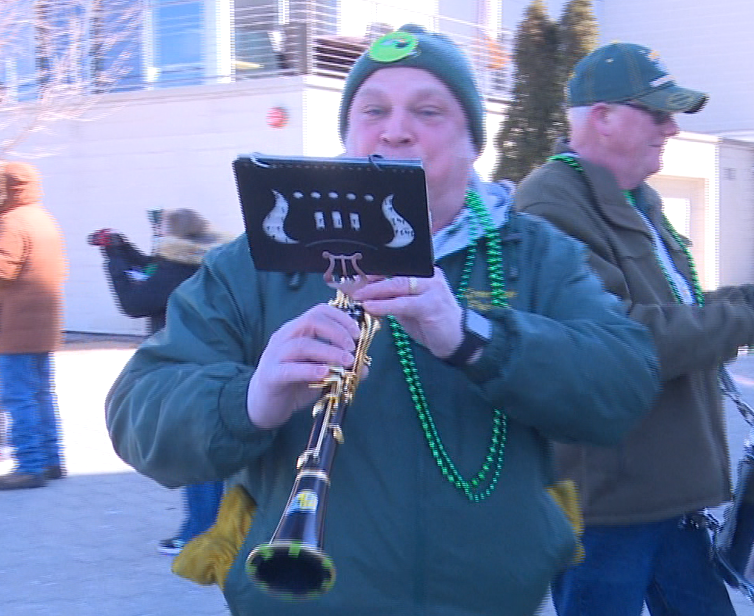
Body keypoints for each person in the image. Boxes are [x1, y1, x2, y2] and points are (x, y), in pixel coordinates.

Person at [105, 24, 659, 615]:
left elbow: (625, 384)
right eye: (374, 110)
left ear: (473, 142)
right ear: (347, 134)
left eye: (428, 111)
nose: (395, 130)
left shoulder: (536, 252)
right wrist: (251, 398)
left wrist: (474, 339)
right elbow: (136, 412)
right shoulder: (256, 262)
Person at [514, 42, 754, 616]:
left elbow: (675, 305)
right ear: (603, 118)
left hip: (669, 497)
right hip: (604, 513)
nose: (673, 128)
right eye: (656, 113)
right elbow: (620, 339)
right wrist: (748, 319)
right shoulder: (548, 205)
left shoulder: (637, 199)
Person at [89, 209, 229, 555]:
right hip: (220, 362)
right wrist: (122, 249)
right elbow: (148, 269)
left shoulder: (174, 269)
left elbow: (135, 300)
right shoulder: (211, 262)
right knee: (216, 448)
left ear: (172, 235)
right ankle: (220, 526)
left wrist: (111, 259)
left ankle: (199, 532)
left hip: (183, 369)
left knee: (193, 451)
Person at [0, 161, 68, 490]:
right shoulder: (43, 218)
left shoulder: (11, 222)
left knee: (18, 398)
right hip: (43, 324)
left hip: (15, 327)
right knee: (42, 394)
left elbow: (4, 270)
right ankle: (52, 459)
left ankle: (28, 465)